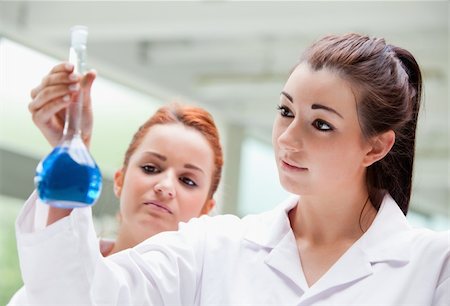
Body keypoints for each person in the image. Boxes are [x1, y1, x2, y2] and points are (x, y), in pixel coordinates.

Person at [14, 33, 449, 305]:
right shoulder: (214, 248)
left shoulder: (433, 268)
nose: (288, 138)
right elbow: (77, 296)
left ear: (375, 146)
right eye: (285, 110)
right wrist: (71, 153)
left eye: (321, 124)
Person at [8, 64, 223, 304]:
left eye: (188, 181)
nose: (165, 186)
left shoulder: (208, 296)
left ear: (207, 209)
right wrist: (71, 147)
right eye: (150, 168)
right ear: (120, 181)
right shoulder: (38, 291)